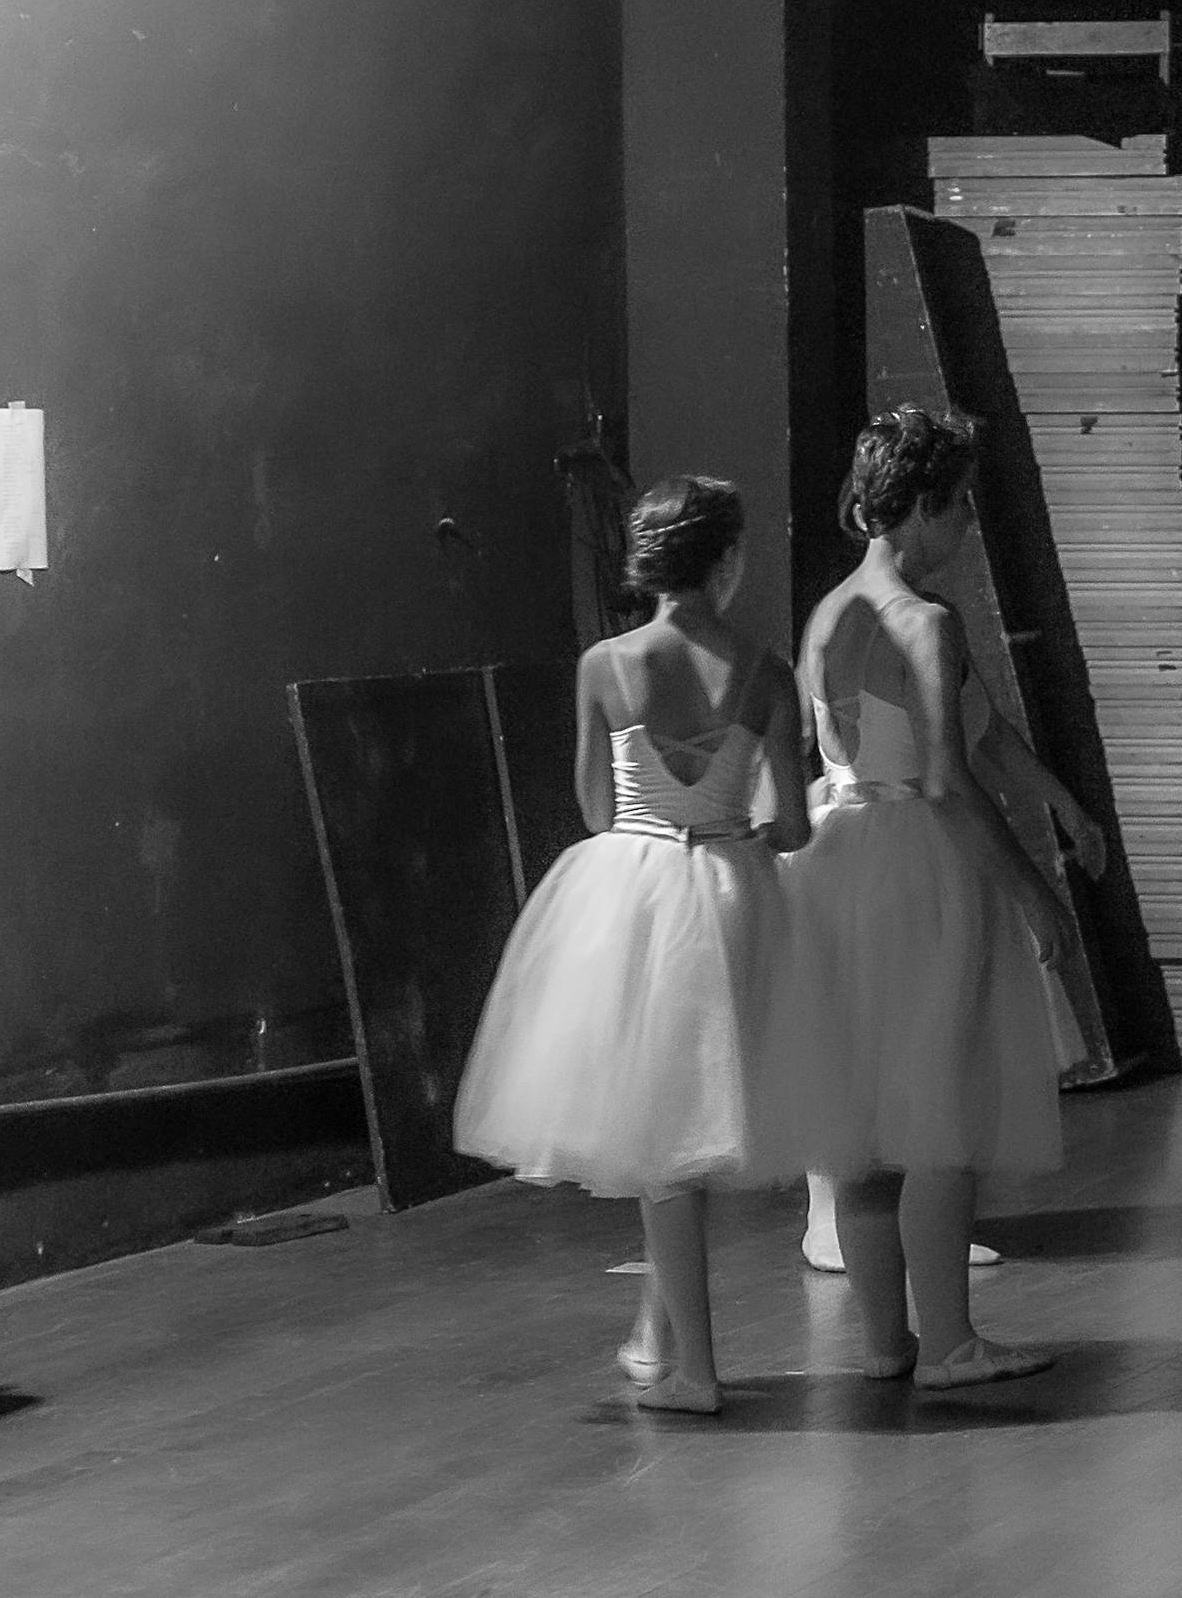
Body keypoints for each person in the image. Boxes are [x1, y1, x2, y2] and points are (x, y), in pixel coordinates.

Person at [453, 474, 811, 1416]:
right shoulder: (766, 672)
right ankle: (663, 1340)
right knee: (694, 1127)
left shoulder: (606, 665)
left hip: (636, 895)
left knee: (663, 1136)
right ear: (726, 559)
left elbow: (596, 806)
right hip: (733, 894)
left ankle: (691, 1367)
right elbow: (793, 826)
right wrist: (738, 823)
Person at [767, 406, 1109, 1390]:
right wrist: (1034, 892)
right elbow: (951, 777)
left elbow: (806, 747)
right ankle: (952, 1342)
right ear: (917, 506)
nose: (967, 527)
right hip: (917, 864)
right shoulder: (925, 621)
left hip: (839, 863)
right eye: (958, 507)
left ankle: (885, 1343)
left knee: (870, 1124)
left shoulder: (829, 612)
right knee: (943, 1107)